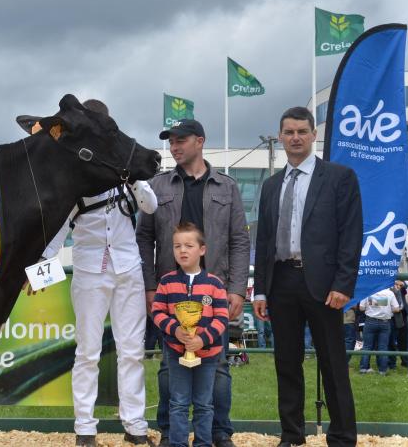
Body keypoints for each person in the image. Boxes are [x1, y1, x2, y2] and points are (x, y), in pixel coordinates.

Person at [34, 99, 158, 447]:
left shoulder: (125, 175)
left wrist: (132, 177)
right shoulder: (78, 180)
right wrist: (41, 270)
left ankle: (134, 425)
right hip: (90, 271)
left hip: (128, 269)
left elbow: (150, 206)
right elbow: (58, 231)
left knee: (132, 350)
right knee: (87, 352)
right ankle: (85, 428)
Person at [253, 106, 362, 447]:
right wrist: (259, 292)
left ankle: (342, 436)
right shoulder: (271, 186)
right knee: (286, 363)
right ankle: (292, 434)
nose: (296, 137)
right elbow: (265, 240)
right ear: (281, 136)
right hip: (281, 282)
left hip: (325, 286)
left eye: (302, 131)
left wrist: (344, 284)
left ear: (314, 135)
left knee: (333, 363)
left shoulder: (339, 177)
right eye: (289, 132)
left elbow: (351, 233)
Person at [136, 118, 249, 447]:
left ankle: (219, 432)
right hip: (169, 295)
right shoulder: (157, 186)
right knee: (170, 368)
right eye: (171, 141)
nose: (174, 146)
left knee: (219, 368)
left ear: (200, 141)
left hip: (214, 296)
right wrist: (149, 286)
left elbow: (239, 241)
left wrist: (237, 289)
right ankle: (170, 433)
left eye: (180, 140)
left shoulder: (227, 187)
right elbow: (144, 238)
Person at [152, 222, 229, 447]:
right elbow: (157, 312)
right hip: (176, 352)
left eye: (188, 245)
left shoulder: (215, 284)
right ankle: (178, 443)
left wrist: (201, 339)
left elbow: (222, 317)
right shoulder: (166, 282)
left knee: (204, 403)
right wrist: (175, 329)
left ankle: (203, 443)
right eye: (177, 246)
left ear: (202, 250)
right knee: (178, 402)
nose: (182, 251)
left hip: (208, 354)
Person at [358, 287, 401, 375]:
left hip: (370, 321)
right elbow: (396, 308)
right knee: (383, 347)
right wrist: (386, 308)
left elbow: (361, 308)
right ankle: (382, 370)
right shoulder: (390, 293)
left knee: (367, 346)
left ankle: (363, 368)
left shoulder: (368, 291)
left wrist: (373, 305)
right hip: (384, 323)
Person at [387, 280, 408, 371]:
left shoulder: (398, 275)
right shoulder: (385, 280)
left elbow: (405, 285)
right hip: (390, 315)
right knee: (391, 340)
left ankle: (405, 361)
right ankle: (391, 363)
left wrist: (401, 283)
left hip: (402, 315)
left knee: (404, 340)